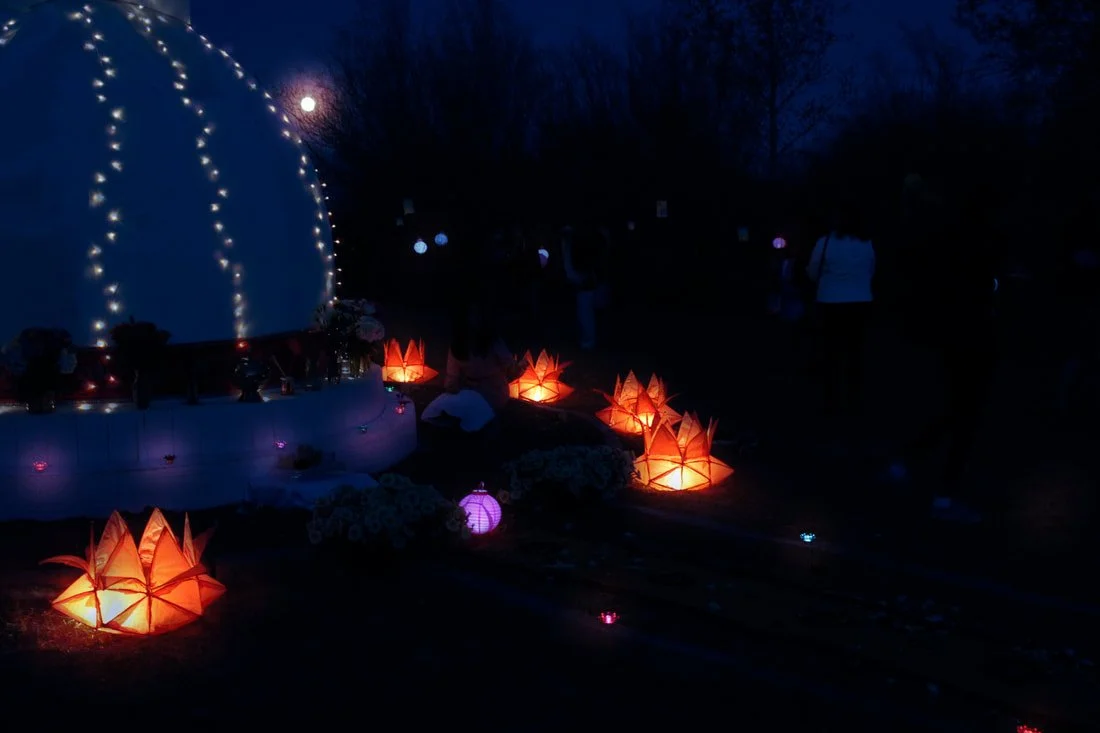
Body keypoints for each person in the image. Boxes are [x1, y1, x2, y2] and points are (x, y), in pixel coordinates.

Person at [889, 178, 999, 523]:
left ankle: (907, 465)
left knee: (954, 411)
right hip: (969, 337)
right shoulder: (974, 246)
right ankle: (944, 496)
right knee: (963, 415)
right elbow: (980, 287)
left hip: (954, 336)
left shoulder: (947, 241)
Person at [805, 197, 876, 413]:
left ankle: (831, 401)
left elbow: (813, 271)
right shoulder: (867, 243)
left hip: (831, 301)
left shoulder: (825, 242)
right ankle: (854, 399)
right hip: (860, 301)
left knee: (831, 354)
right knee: (855, 353)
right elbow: (871, 269)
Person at [421, 301, 517, 432]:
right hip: (468, 390)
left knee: (472, 411)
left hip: (493, 391)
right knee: (443, 407)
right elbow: (452, 376)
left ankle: (482, 431)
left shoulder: (493, 342)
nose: (473, 322)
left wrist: (515, 369)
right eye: (469, 317)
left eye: (477, 316)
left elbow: (511, 369)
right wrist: (452, 387)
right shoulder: (458, 346)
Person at [560, 225, 609, 350]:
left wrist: (588, 277)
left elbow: (588, 262)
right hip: (582, 281)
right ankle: (587, 340)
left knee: (587, 312)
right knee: (584, 311)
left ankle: (589, 341)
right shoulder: (570, 246)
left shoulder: (582, 245)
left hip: (587, 282)